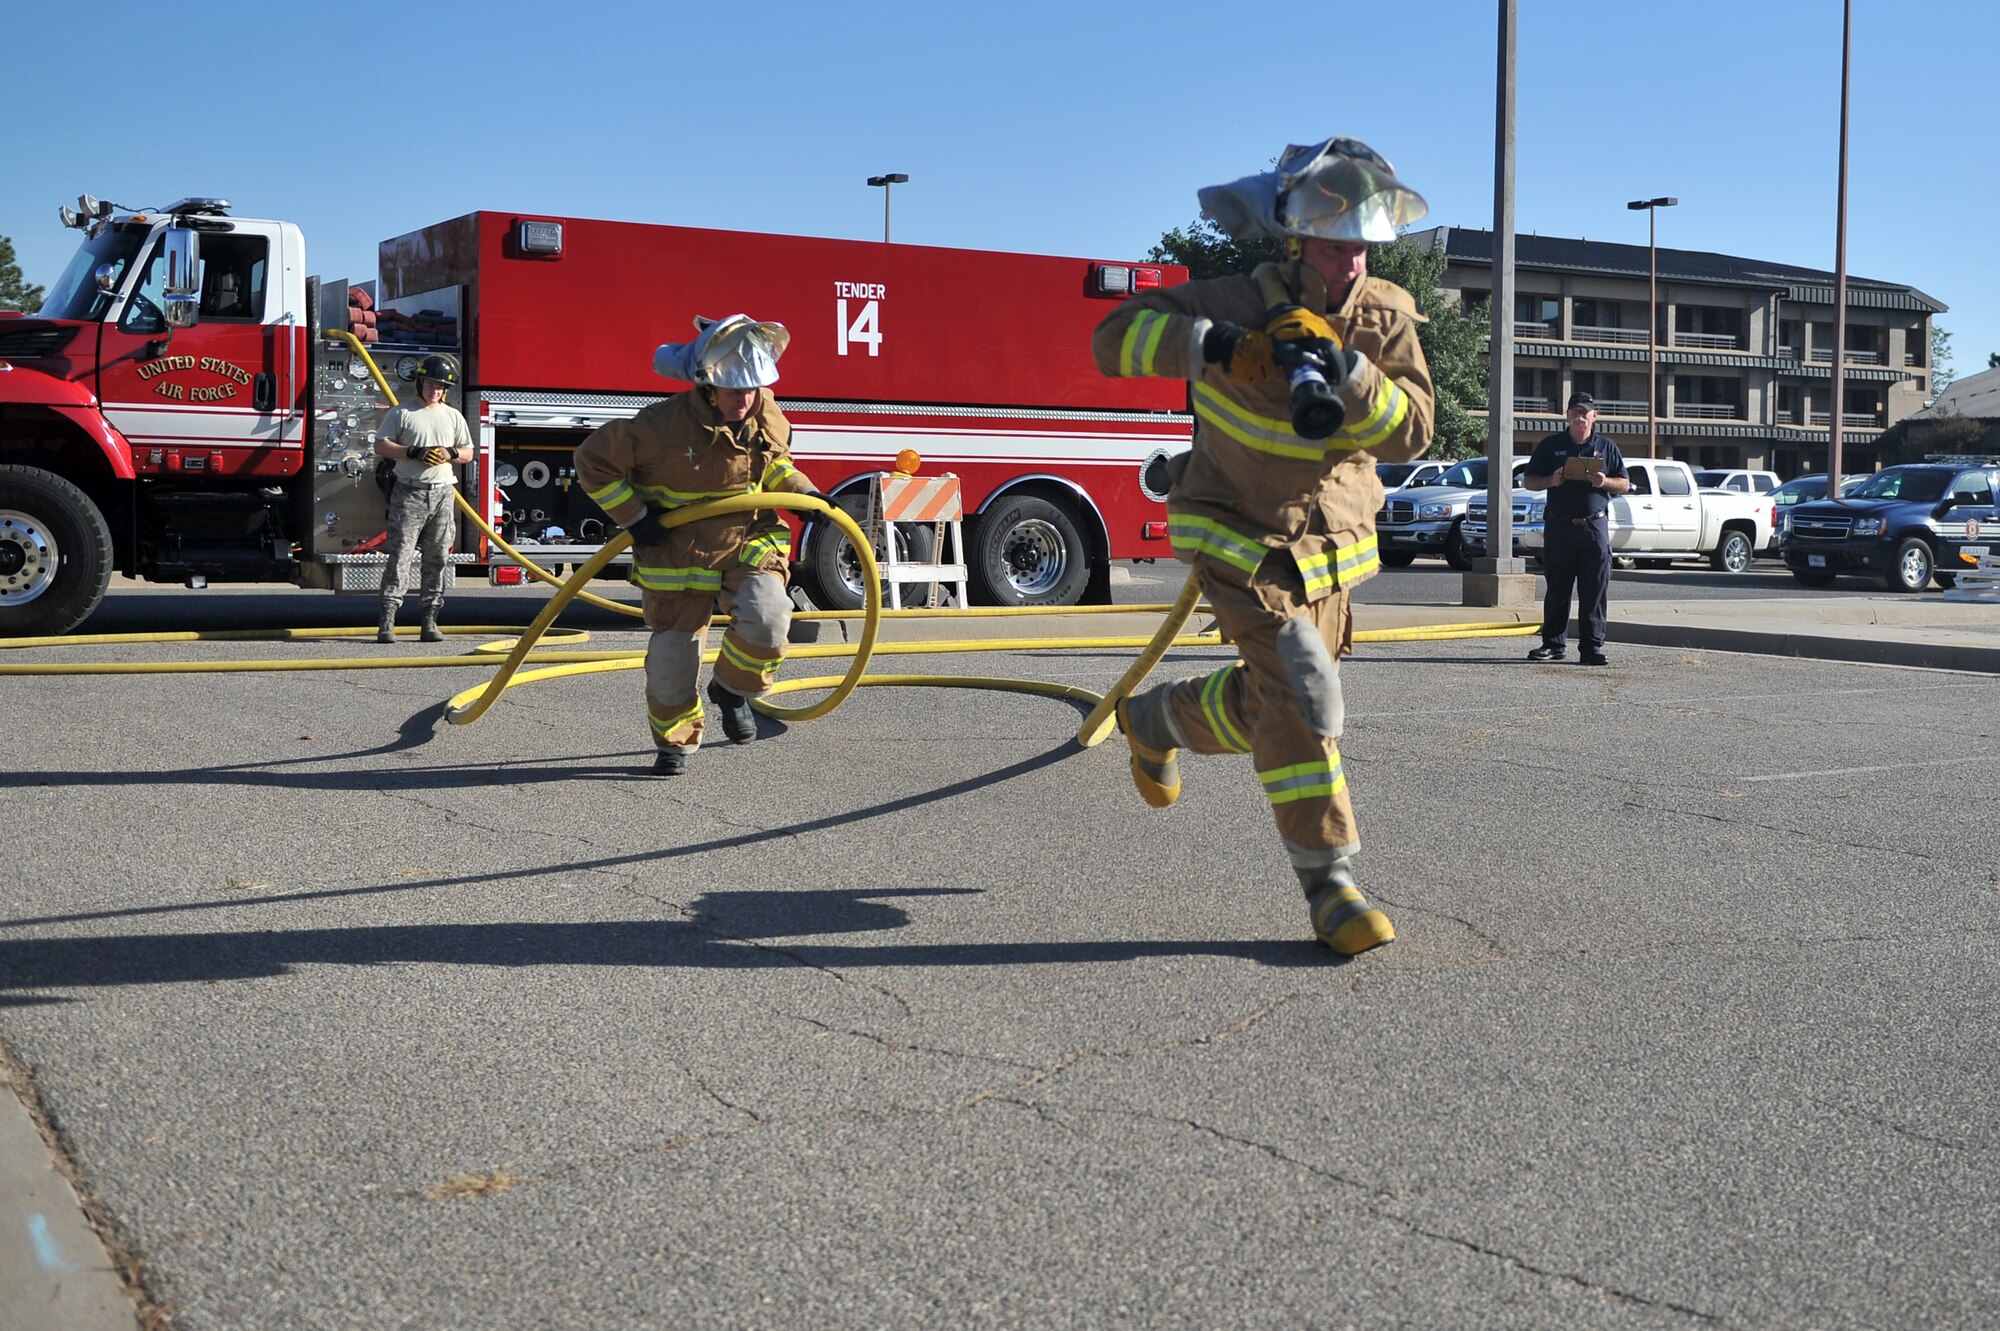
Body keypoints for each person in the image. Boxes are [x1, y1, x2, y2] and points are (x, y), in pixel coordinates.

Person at [1091, 137, 1434, 956]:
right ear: (1293, 239)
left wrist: (1350, 373)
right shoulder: (1235, 302)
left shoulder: (1384, 316)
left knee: (1275, 702)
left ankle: (1158, 717)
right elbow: (1113, 341)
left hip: (1327, 550)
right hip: (1238, 535)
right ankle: (1331, 884)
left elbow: (1414, 432)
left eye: (1359, 244)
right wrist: (1209, 345)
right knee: (1308, 693)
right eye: (1331, 242)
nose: (1348, 261)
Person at [572, 315, 827, 777]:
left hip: (745, 541)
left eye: (753, 390)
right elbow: (592, 461)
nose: (745, 401)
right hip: (677, 552)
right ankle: (675, 742)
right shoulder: (659, 427)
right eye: (735, 391)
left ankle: (731, 690)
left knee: (769, 619)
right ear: (708, 386)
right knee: (671, 664)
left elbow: (774, 464)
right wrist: (635, 517)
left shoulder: (763, 410)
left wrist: (803, 494)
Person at [1522, 392, 1630, 666]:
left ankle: (1592, 647)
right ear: (1567, 414)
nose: (1580, 416)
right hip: (1560, 526)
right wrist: (1552, 479)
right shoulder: (1550, 445)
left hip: (1594, 525)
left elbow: (1624, 484)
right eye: (1575, 411)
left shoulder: (1607, 447)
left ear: (1595, 415)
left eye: (1585, 411)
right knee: (1558, 587)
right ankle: (1553, 645)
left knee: (1594, 589)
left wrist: (1604, 482)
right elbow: (1529, 481)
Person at [375, 354, 473, 643]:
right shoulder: (402, 413)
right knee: (400, 556)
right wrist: (412, 452)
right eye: (431, 384)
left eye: (441, 386)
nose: (436, 390)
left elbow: (467, 452)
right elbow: (380, 445)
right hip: (409, 493)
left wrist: (449, 453)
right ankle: (387, 621)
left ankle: (430, 620)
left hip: (442, 494)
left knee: (438, 558)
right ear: (420, 383)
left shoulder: (453, 416)